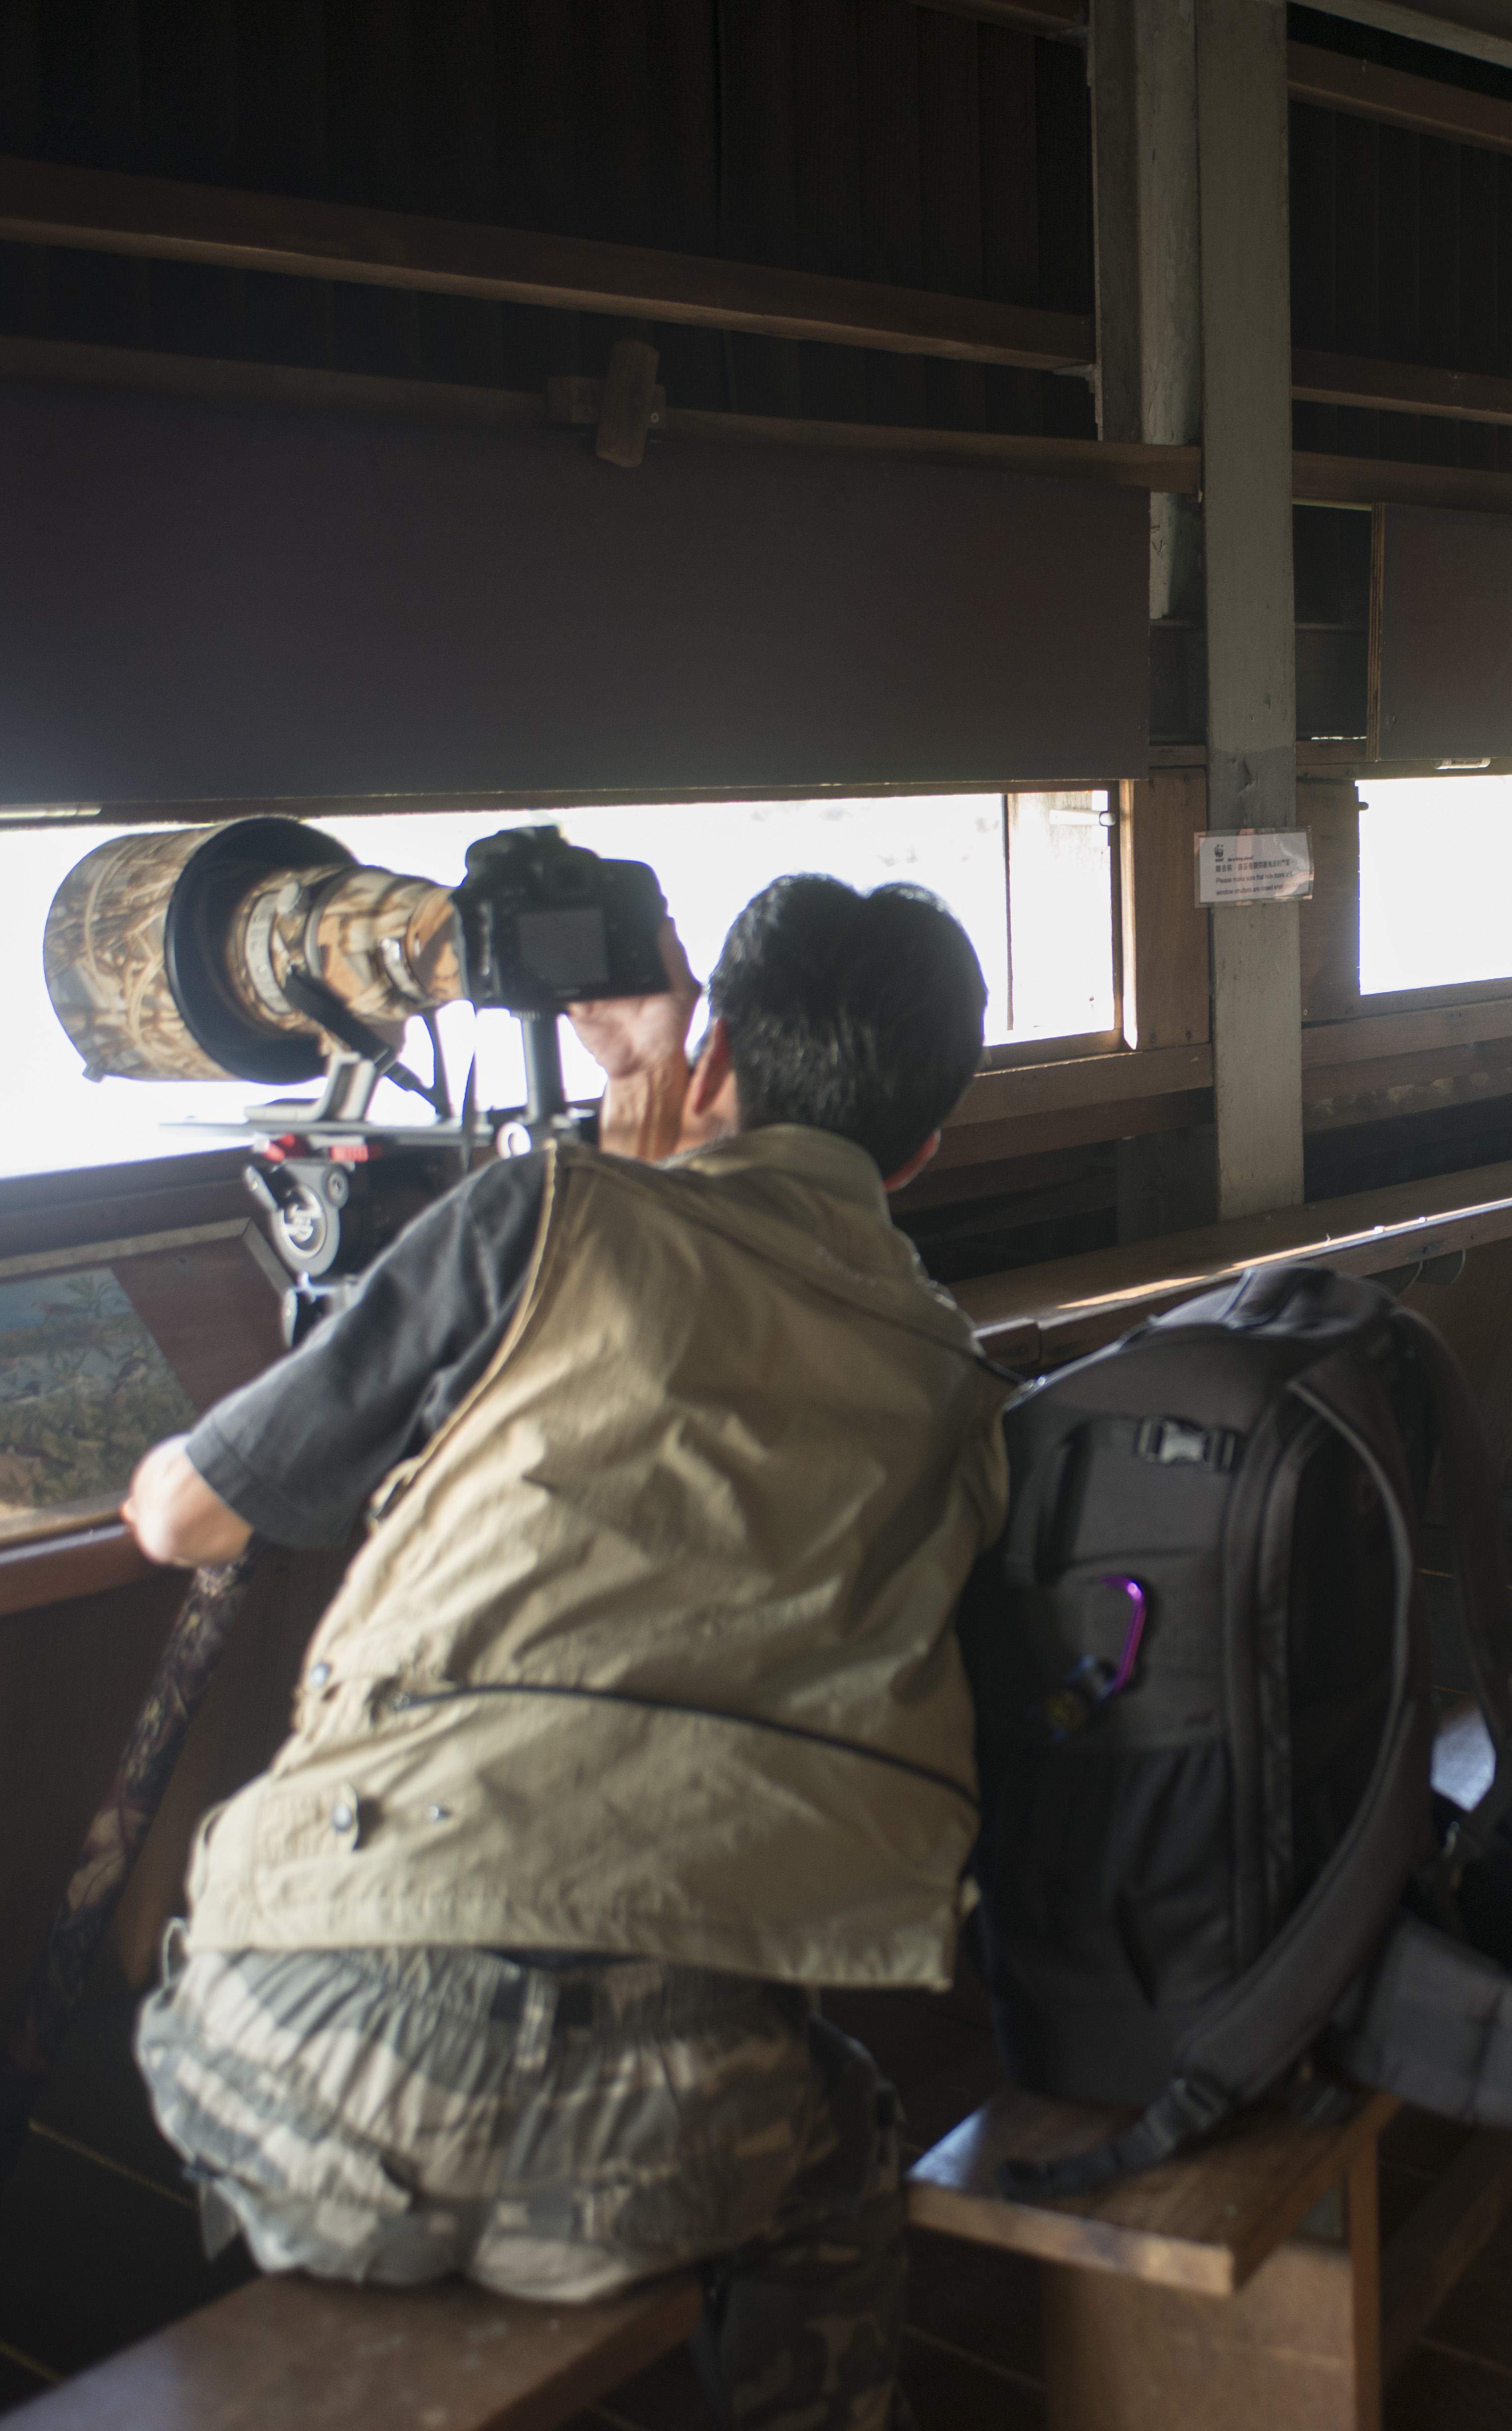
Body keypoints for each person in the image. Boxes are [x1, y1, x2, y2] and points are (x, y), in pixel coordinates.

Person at [114, 875, 1005, 2431]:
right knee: (840, 2140)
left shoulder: (545, 1215)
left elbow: (189, 1518)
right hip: (666, 2137)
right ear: (924, 1147)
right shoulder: (957, 1391)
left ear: (716, 1053)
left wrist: (633, 1151)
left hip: (289, 2072)